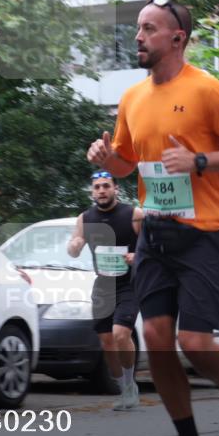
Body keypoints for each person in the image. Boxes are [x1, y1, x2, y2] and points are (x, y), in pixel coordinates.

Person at [86, 0, 219, 436]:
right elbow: (126, 163)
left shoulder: (208, 90)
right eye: (138, 29)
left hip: (203, 233)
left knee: (192, 339)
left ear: (177, 38)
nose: (138, 37)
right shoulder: (132, 98)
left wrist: (200, 161)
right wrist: (107, 159)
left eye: (148, 29)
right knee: (156, 337)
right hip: (155, 233)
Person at [66, 170, 144, 410]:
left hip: (130, 284)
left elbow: (152, 247)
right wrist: (76, 245)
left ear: (115, 189)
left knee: (121, 334)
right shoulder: (85, 218)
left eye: (106, 186)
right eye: (97, 187)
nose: (101, 190)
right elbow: (73, 247)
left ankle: (131, 385)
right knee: (107, 341)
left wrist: (136, 255)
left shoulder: (134, 215)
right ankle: (124, 389)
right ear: (92, 191)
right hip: (103, 285)